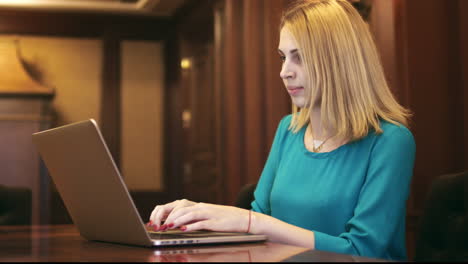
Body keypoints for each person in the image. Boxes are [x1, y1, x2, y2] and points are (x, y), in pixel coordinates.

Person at [148, 0, 416, 261]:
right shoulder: (288, 130)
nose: (284, 72)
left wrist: (254, 222)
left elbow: (363, 251)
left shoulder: (391, 141)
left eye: (299, 58)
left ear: (339, 61)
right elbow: (257, 219)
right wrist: (200, 214)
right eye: (283, 57)